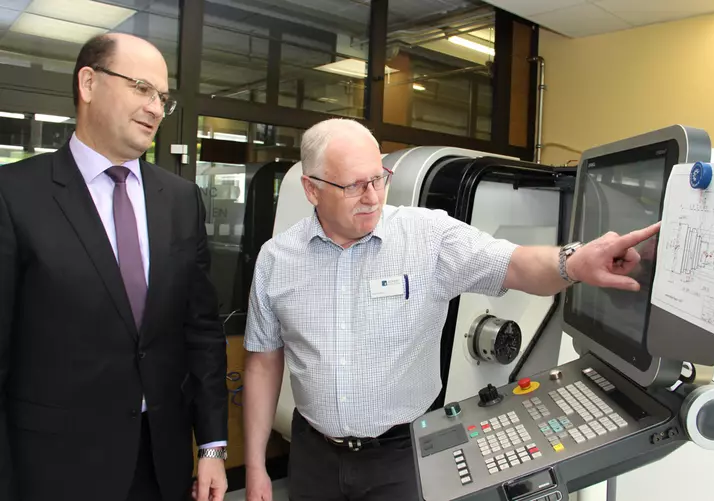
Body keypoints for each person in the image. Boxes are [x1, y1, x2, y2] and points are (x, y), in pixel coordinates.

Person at [241, 118, 660, 501]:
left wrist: (574, 262)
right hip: (314, 454)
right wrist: (257, 465)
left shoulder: (428, 237)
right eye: (353, 185)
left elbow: (515, 264)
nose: (372, 197)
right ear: (312, 188)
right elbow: (263, 363)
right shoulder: (277, 259)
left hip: (403, 456)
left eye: (378, 179)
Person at [0, 34, 228, 501]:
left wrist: (211, 447)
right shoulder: (15, 195)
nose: (156, 107)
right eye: (142, 88)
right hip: (52, 466)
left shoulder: (181, 201)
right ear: (88, 83)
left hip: (159, 462)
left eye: (163, 98)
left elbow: (201, 332)